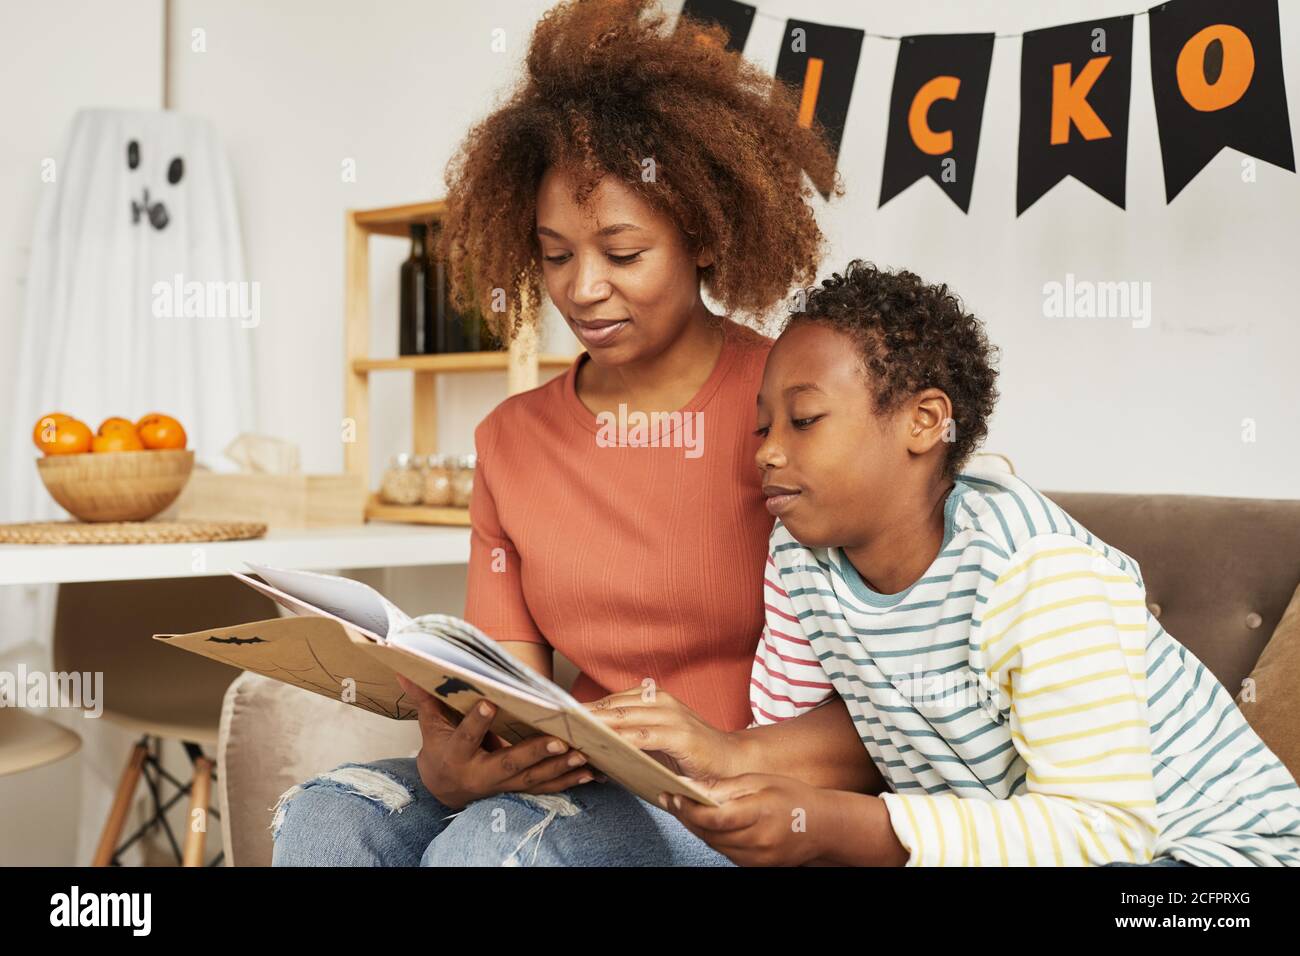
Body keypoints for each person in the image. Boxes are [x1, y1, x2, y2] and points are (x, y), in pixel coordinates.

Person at [429, 261, 1300, 866]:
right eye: (762, 425)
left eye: (803, 421)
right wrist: (711, 759)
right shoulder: (805, 564)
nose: (767, 452)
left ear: (924, 423)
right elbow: (773, 745)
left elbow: (1101, 836)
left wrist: (844, 829)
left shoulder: (1038, 576)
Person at [272, 0, 851, 866]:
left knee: (489, 852)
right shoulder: (512, 441)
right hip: (577, 784)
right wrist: (455, 763)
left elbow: (895, 706)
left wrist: (723, 748)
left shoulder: (795, 404)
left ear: (700, 234)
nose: (581, 289)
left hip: (731, 796)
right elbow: (510, 685)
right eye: (554, 255)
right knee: (325, 818)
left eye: (621, 254)